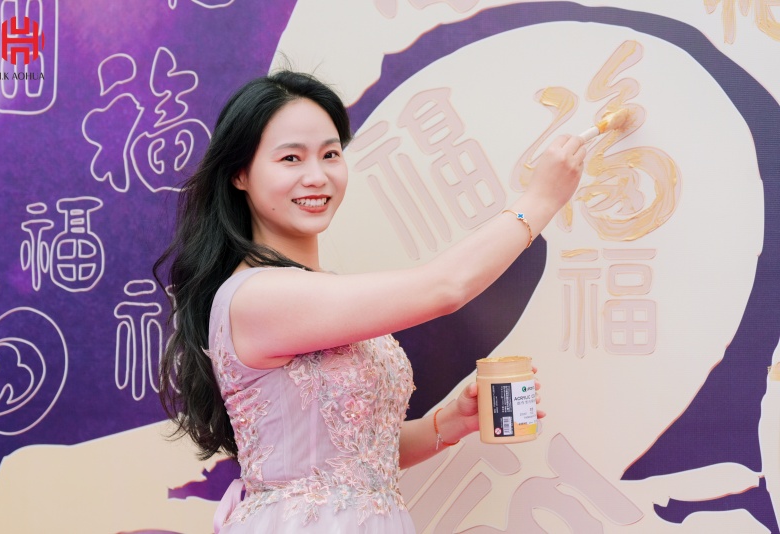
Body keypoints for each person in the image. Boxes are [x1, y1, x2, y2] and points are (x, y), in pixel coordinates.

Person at [154, 70, 585, 533]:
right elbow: (445, 287)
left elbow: (356, 460)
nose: (316, 176)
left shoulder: (317, 292)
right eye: (291, 158)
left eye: (330, 154)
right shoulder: (258, 295)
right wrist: (541, 200)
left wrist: (448, 423)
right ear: (240, 173)